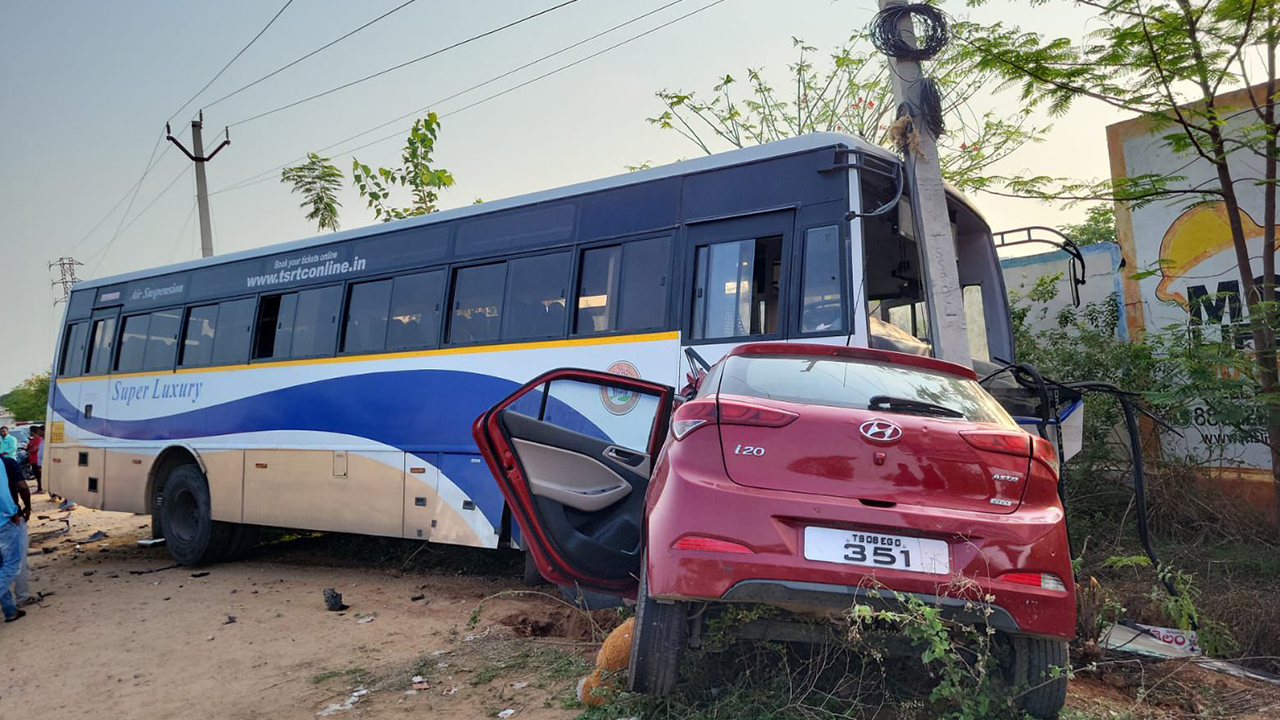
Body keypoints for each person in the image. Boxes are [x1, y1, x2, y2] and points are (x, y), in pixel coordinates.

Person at [2, 455, 32, 608]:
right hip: (8, 519)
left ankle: (8, 608)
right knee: (16, 561)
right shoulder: (6, 462)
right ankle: (22, 596)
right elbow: (22, 487)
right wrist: (26, 507)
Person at [0, 453, 26, 623]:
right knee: (12, 564)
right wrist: (12, 512)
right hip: (3, 521)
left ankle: (10, 610)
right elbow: (2, 492)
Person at [24, 426, 42, 494]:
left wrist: (28, 450)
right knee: (37, 475)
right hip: (32, 460)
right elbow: (27, 447)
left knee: (39, 475)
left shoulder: (38, 439)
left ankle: (41, 488)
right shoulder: (33, 439)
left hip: (37, 460)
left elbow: (35, 448)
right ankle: (39, 488)